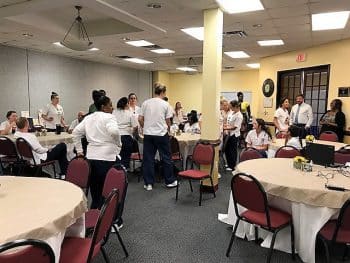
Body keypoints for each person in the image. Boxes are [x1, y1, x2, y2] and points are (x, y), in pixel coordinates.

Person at [73, 96, 121, 209]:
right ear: (103, 107)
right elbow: (114, 131)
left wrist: (79, 151)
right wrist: (118, 143)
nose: (112, 107)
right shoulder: (109, 117)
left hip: (91, 158)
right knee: (110, 191)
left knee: (95, 192)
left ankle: (95, 216)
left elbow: (75, 133)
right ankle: (113, 220)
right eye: (110, 105)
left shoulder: (89, 118)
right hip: (107, 158)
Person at [138, 83, 177, 191]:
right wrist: (169, 131)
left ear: (154, 91)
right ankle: (169, 181)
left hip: (148, 134)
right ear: (163, 92)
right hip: (161, 134)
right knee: (166, 158)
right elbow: (168, 121)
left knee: (148, 158)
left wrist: (145, 127)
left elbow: (140, 119)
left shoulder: (146, 103)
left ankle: (148, 183)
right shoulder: (165, 104)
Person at [113, 97, 138, 169]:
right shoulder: (130, 113)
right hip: (126, 137)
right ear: (126, 104)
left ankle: (116, 173)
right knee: (126, 157)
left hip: (116, 136)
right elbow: (135, 126)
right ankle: (124, 174)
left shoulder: (114, 112)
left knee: (117, 156)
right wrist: (131, 131)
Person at [224, 100, 243, 171]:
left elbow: (235, 127)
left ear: (236, 107)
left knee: (232, 150)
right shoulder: (232, 112)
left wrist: (225, 128)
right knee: (227, 149)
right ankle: (229, 163)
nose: (230, 108)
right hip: (228, 133)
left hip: (234, 135)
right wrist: (225, 126)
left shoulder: (239, 116)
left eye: (231, 107)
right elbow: (228, 122)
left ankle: (232, 166)